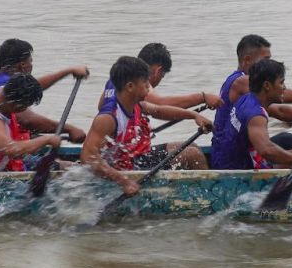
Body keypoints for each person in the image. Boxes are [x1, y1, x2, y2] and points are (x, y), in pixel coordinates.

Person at [80, 56, 213, 195]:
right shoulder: (108, 118)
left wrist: (194, 116)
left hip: (135, 157)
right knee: (193, 155)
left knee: (193, 147)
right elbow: (87, 158)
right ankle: (207, 197)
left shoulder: (134, 103)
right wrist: (123, 181)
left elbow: (159, 111)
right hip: (123, 168)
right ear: (130, 87)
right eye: (145, 83)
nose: (149, 88)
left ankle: (192, 193)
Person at [211, 34, 292, 170]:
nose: (284, 87)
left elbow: (280, 111)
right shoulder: (241, 83)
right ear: (266, 85)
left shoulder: (250, 97)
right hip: (234, 164)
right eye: (266, 59)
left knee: (287, 139)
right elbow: (265, 149)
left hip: (234, 150)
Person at [0, 38, 88, 143]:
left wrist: (68, 71)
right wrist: (70, 129)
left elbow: (33, 86)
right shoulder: (5, 85)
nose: (31, 65)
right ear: (23, 65)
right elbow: (28, 121)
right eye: (31, 61)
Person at [0, 72, 62, 172]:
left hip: (13, 163)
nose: (25, 110)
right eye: (25, 107)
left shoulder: (1, 91)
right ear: (17, 106)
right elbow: (11, 150)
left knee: (66, 166)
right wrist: (46, 140)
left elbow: (29, 87)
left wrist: (68, 72)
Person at [97, 42, 222, 113]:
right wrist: (203, 97)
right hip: (122, 150)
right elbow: (160, 104)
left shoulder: (116, 77)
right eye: (162, 76)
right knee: (193, 154)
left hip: (115, 142)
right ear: (158, 71)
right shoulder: (138, 83)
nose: (148, 87)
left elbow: (101, 107)